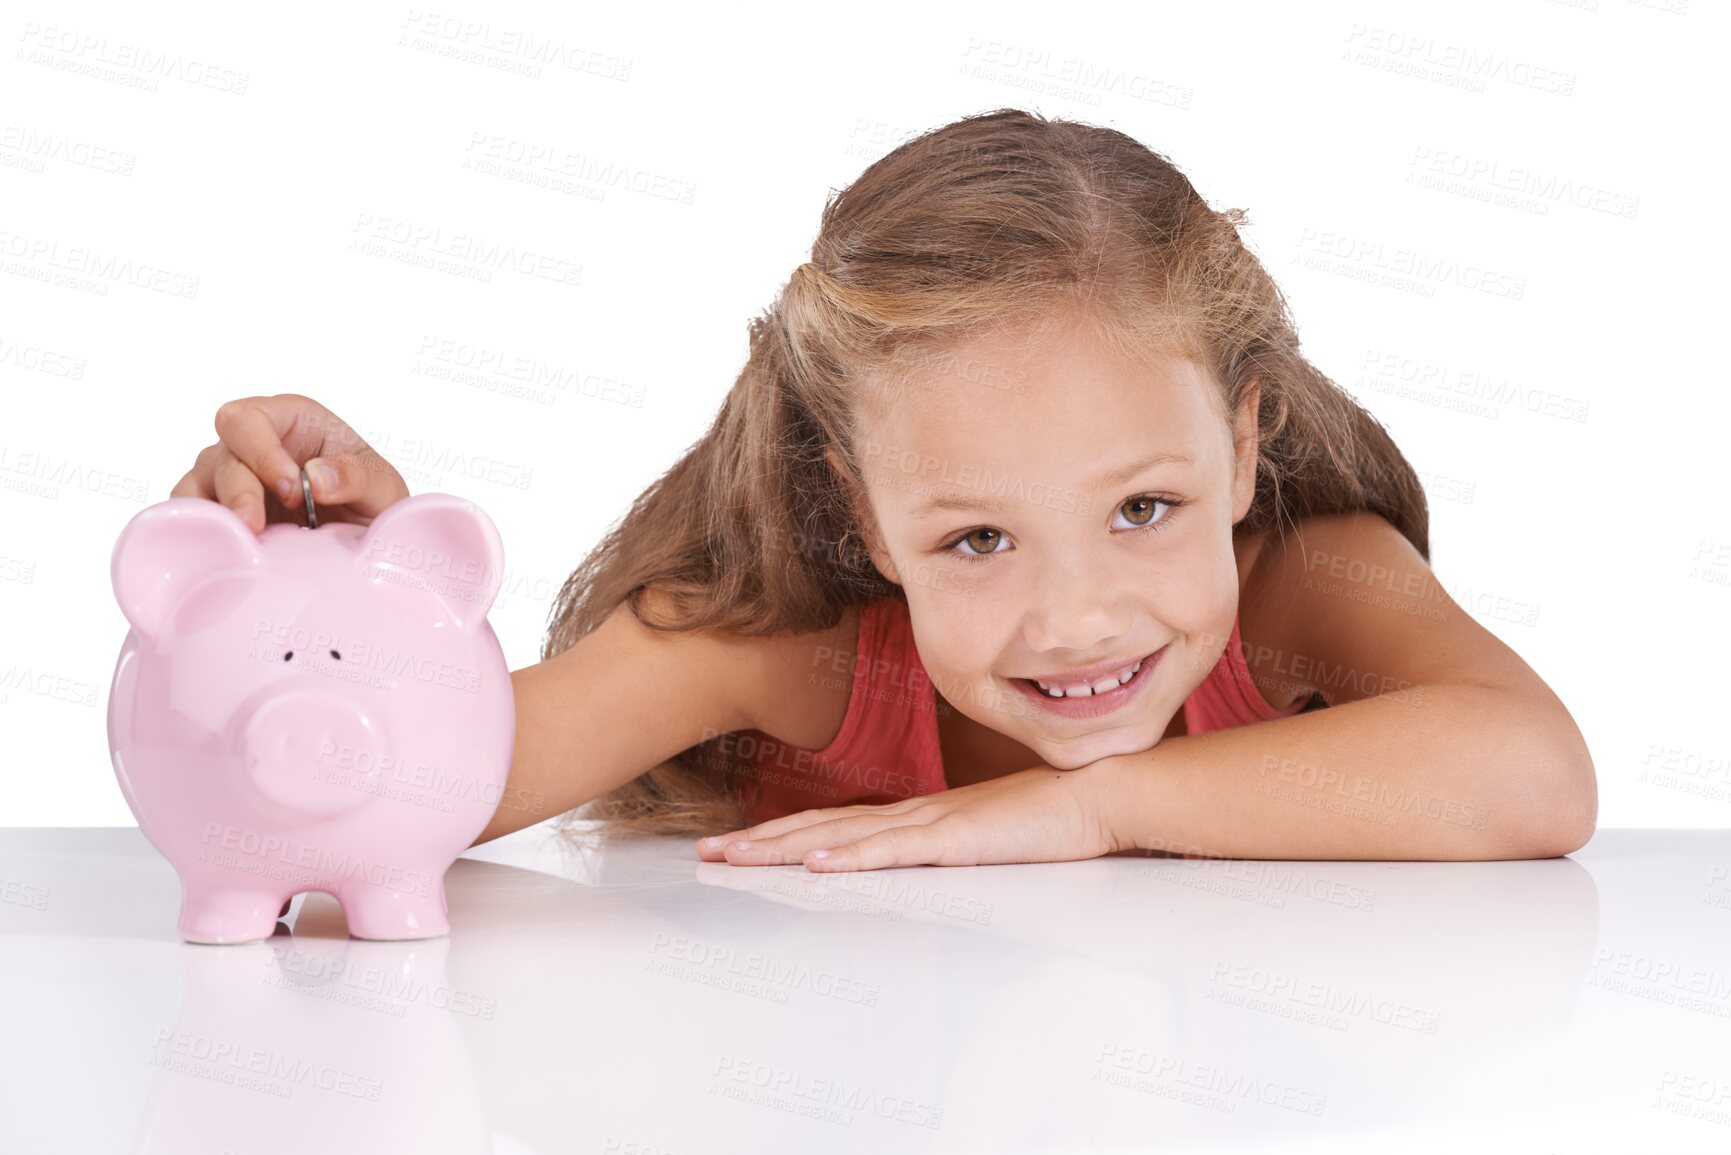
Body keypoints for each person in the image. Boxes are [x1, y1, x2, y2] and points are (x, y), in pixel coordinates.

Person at [171, 108, 1596, 872]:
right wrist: (360, 607)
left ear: (1245, 443)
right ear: (860, 513)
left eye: (1143, 509)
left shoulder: (1308, 578)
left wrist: (1087, 812)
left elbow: (1534, 776)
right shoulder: (783, 645)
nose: (1075, 617)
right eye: (977, 536)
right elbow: (382, 801)